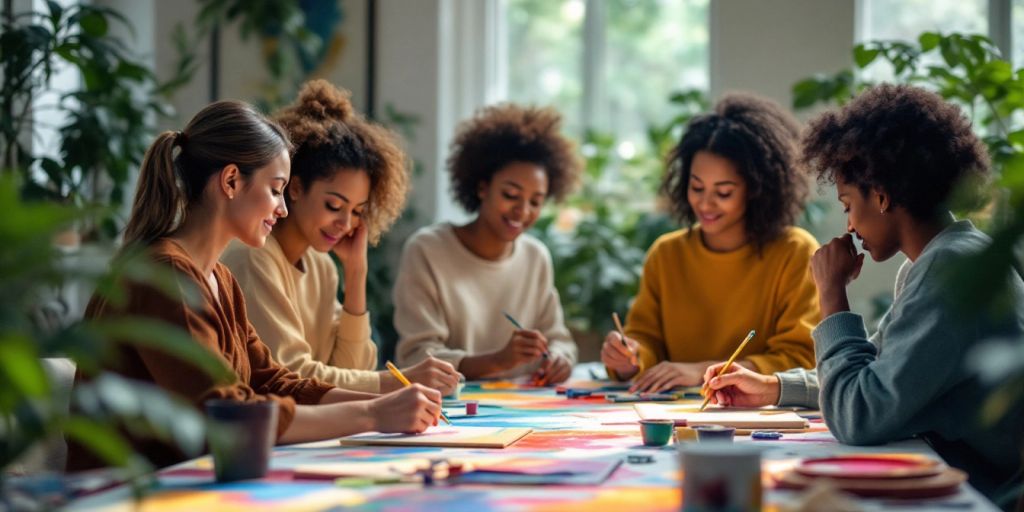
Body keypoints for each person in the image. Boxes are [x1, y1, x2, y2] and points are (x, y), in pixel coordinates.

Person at [67, 100, 441, 471]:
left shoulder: (220, 280)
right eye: (277, 190)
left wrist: (384, 401)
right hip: (124, 493)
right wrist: (373, 414)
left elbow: (274, 380)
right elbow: (228, 413)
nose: (282, 209)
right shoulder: (166, 275)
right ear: (231, 181)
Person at [702, 84, 1024, 501]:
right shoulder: (943, 258)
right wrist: (774, 387)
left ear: (882, 196)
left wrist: (832, 293)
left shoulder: (948, 271)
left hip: (993, 493)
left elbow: (859, 416)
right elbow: (874, 376)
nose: (849, 226)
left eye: (848, 204)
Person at [222, 80, 460, 395]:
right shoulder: (255, 256)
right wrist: (398, 381)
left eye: (358, 211)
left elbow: (354, 371)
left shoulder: (320, 266)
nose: (345, 223)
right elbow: (289, 376)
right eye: (334, 205)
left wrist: (356, 273)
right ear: (294, 188)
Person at [601, 93, 819, 392]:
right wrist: (630, 358)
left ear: (757, 189)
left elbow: (801, 358)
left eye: (724, 192)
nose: (705, 203)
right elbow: (645, 341)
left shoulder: (795, 252)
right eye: (696, 187)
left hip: (756, 417)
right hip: (674, 416)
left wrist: (704, 371)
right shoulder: (667, 254)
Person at [394, 103, 582, 384]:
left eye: (535, 201)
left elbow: (559, 340)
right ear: (483, 188)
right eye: (510, 194)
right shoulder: (428, 250)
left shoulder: (535, 256)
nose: (523, 211)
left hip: (526, 411)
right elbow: (417, 357)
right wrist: (496, 361)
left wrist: (558, 359)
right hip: (451, 413)